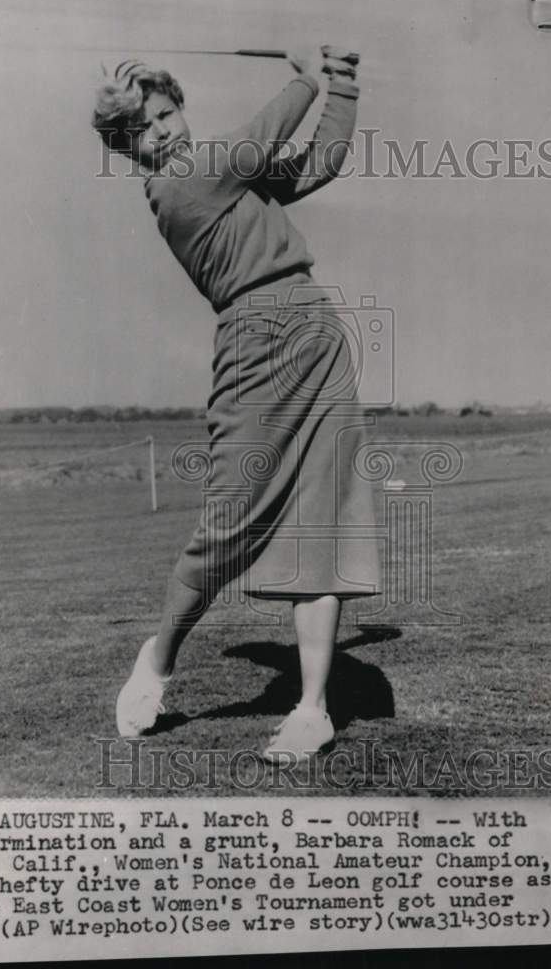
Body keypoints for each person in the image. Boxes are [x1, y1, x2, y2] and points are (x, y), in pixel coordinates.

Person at [91, 46, 381, 763]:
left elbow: (317, 163)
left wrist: (340, 82)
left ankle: (311, 709)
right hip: (254, 342)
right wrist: (305, 73)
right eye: (140, 131)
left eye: (165, 115)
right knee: (228, 527)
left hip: (313, 327)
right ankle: (157, 660)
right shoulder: (179, 187)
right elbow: (266, 134)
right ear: (129, 152)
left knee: (321, 521)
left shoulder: (227, 180)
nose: (160, 133)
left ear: (180, 110)